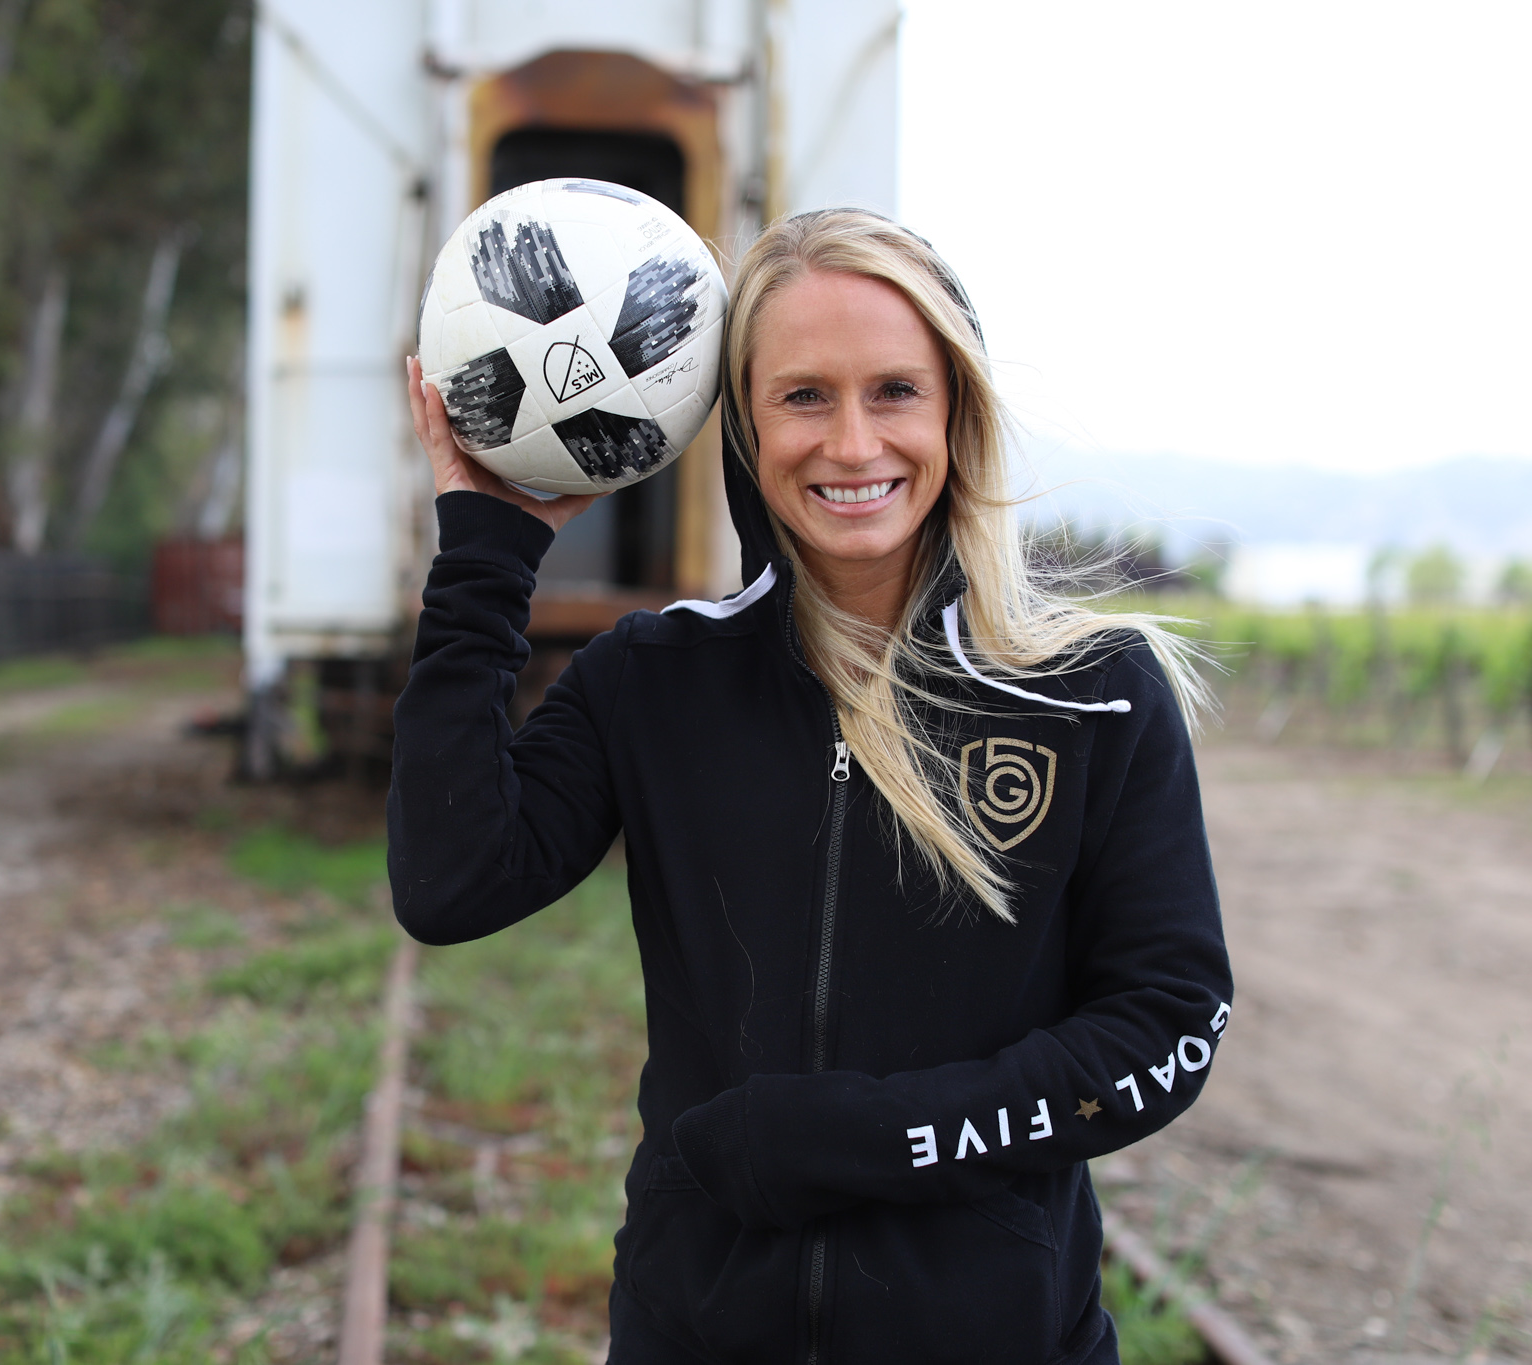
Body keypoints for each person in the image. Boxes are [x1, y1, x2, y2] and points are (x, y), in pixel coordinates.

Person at [391, 208, 1232, 1365]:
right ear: (741, 424)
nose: (850, 444)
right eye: (801, 397)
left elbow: (1165, 1030)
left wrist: (865, 1139)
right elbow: (448, 881)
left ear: (954, 411)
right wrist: (488, 547)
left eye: (893, 390)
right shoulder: (655, 679)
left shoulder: (1089, 695)